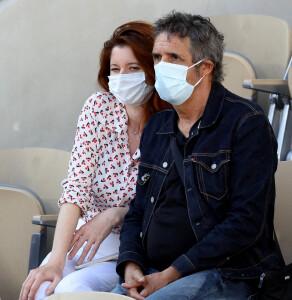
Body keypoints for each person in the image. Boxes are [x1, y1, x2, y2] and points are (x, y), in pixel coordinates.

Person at [112, 11, 284, 300]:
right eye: (157, 58)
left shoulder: (245, 123)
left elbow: (245, 222)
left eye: (174, 58)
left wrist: (171, 274)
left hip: (227, 274)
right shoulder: (157, 126)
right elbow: (137, 211)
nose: (161, 67)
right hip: (155, 271)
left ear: (204, 68)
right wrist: (130, 264)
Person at [19, 21, 170, 300]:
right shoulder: (98, 108)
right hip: (83, 236)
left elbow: (167, 204)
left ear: (152, 70)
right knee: (41, 287)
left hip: (133, 249)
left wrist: (115, 213)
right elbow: (76, 187)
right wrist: (56, 260)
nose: (123, 76)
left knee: (70, 290)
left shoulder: (172, 122)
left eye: (133, 68)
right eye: (115, 69)